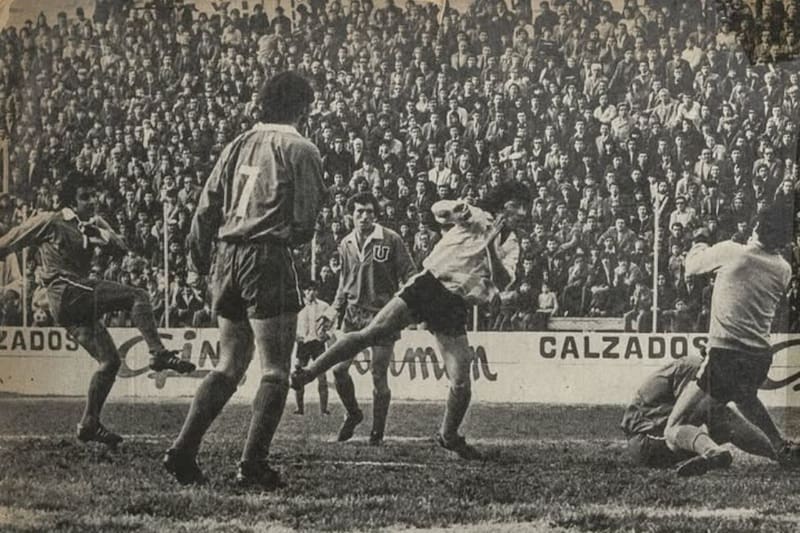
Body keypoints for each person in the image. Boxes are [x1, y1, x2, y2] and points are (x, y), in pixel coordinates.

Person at [163, 72, 325, 488]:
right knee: (275, 369)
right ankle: (252, 465)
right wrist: (284, 237)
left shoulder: (237, 143)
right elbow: (305, 223)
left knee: (229, 363)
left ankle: (183, 450)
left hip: (225, 255)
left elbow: (206, 207)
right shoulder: (301, 147)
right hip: (266, 257)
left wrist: (204, 260)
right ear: (303, 108)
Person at [292, 181, 529, 459]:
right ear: (504, 204)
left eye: (526, 207)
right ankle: (309, 373)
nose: (523, 213)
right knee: (370, 332)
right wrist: (457, 208)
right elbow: (438, 211)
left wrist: (490, 248)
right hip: (428, 285)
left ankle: (448, 435)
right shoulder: (476, 215)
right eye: (519, 206)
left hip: (454, 303)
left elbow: (502, 280)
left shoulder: (511, 242)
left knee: (461, 382)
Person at [0, 171, 194, 447]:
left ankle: (89, 423)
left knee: (111, 362)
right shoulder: (50, 221)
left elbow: (122, 248)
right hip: (66, 292)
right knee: (137, 295)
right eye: (85, 197)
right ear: (71, 201)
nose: (92, 201)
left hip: (73, 303)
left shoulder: (91, 224)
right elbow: (10, 241)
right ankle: (158, 353)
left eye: (94, 196)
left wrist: (102, 230)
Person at [663, 201, 800, 476]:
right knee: (745, 399)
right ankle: (780, 447)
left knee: (674, 428)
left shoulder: (732, 251)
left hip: (726, 354)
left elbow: (691, 267)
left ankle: (712, 451)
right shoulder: (783, 269)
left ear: (757, 226)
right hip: (759, 356)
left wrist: (700, 241)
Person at [319, 192, 416, 445]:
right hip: (352, 316)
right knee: (339, 371)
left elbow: (410, 274)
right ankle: (353, 414)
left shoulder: (390, 239)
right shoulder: (346, 243)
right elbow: (344, 283)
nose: (364, 217)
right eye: (360, 212)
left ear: (376, 214)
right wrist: (332, 311)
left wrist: (406, 308)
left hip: (383, 316)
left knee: (378, 374)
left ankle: (377, 433)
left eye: (369, 212)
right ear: (351, 215)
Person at [622, 354, 788, 475]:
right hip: (646, 441)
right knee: (720, 415)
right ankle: (712, 451)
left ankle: (779, 455)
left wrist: (777, 447)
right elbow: (686, 416)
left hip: (655, 443)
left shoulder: (708, 370)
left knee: (721, 416)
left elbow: (744, 401)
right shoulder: (694, 367)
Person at [294, 282, 331, 416]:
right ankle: (299, 408)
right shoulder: (297, 306)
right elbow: (289, 323)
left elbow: (333, 320)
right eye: (308, 289)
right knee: (298, 375)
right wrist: (295, 336)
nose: (311, 292)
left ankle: (324, 409)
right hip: (303, 344)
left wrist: (328, 334)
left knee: (322, 376)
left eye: (314, 290)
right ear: (304, 291)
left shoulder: (324, 306)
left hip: (317, 343)